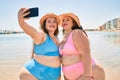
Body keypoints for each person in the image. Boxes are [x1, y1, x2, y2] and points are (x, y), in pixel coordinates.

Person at [18, 8, 61, 80]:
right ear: (45, 25)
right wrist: (21, 22)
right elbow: (33, 32)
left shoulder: (57, 38)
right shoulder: (42, 35)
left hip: (54, 75)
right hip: (34, 74)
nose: (52, 23)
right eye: (49, 21)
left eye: (54, 22)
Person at [59, 13, 105, 80]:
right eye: (63, 20)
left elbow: (86, 53)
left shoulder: (77, 33)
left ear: (73, 23)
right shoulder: (64, 38)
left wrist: (87, 76)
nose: (64, 22)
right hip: (69, 76)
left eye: (67, 20)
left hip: (86, 74)